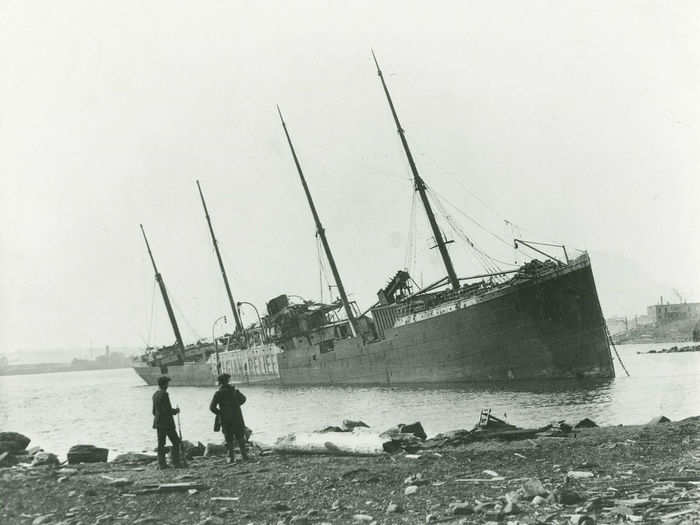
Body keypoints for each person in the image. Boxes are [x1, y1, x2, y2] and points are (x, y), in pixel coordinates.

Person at [209, 373, 248, 463]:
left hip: (226, 418)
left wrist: (220, 413)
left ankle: (231, 457)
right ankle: (244, 455)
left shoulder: (218, 393)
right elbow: (243, 399)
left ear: (220, 382)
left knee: (229, 438)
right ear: (228, 381)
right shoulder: (234, 390)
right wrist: (237, 406)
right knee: (240, 436)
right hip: (237, 416)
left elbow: (212, 407)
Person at [152, 375, 182, 469]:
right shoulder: (164, 394)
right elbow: (167, 410)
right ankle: (176, 462)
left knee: (161, 444)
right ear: (164, 384)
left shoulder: (155, 394)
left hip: (158, 423)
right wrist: (176, 411)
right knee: (176, 442)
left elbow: (153, 412)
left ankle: (161, 464)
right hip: (167, 423)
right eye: (167, 383)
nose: (168, 385)